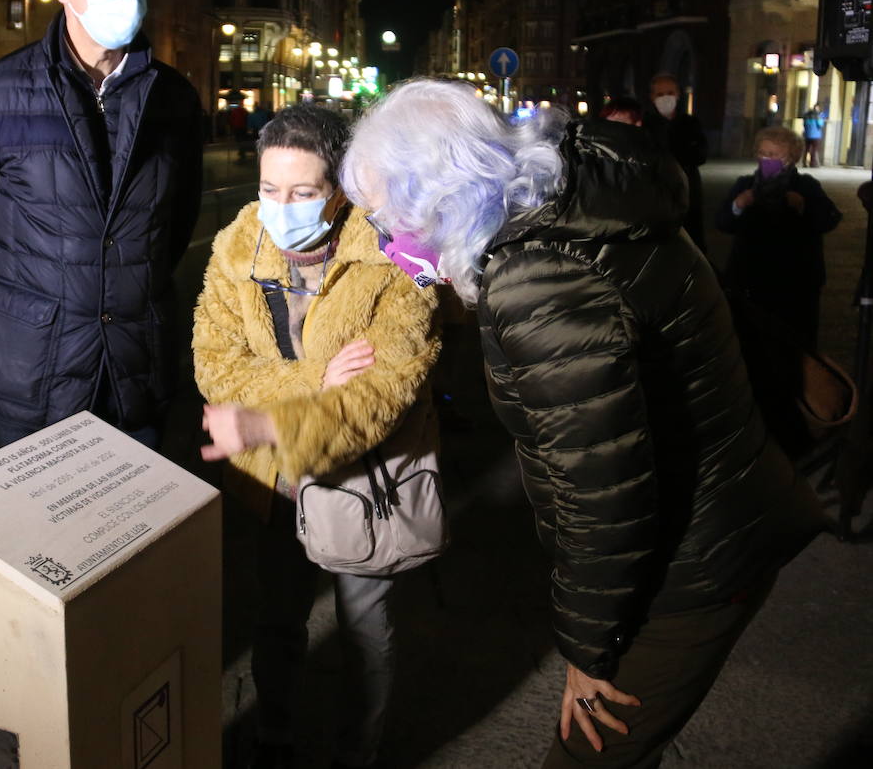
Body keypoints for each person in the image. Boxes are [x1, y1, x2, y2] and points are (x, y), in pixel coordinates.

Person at [334, 79, 825, 768]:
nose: (384, 240)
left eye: (387, 215)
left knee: (589, 753)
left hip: (700, 555)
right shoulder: (575, 200)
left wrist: (589, 649)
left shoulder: (537, 281)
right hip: (728, 503)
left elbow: (602, 490)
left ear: (440, 196)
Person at [195, 105, 441, 769]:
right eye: (269, 190)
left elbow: (379, 394)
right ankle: (275, 736)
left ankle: (356, 753)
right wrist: (309, 380)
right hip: (273, 479)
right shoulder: (235, 249)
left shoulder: (399, 259)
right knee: (277, 620)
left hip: (364, 481)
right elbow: (215, 364)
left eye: (302, 192)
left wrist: (269, 418)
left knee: (365, 630)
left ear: (340, 191)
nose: (281, 207)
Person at [0, 0, 203, 450]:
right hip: (26, 385)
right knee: (30, 534)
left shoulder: (174, 99)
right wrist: (20, 317)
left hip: (134, 378)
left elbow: (174, 225)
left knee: (133, 530)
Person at [716, 124, 841, 350]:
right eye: (763, 153)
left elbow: (829, 219)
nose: (767, 159)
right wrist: (738, 205)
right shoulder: (745, 184)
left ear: (791, 157)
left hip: (796, 285)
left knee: (793, 347)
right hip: (749, 283)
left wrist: (803, 206)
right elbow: (722, 222)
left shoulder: (806, 186)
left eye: (774, 155)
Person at [643, 73, 707, 253]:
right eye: (660, 94)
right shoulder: (645, 125)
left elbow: (701, 155)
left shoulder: (690, 123)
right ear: (652, 97)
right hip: (656, 192)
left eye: (670, 92)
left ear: (678, 94)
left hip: (688, 190)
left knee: (691, 240)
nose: (666, 98)